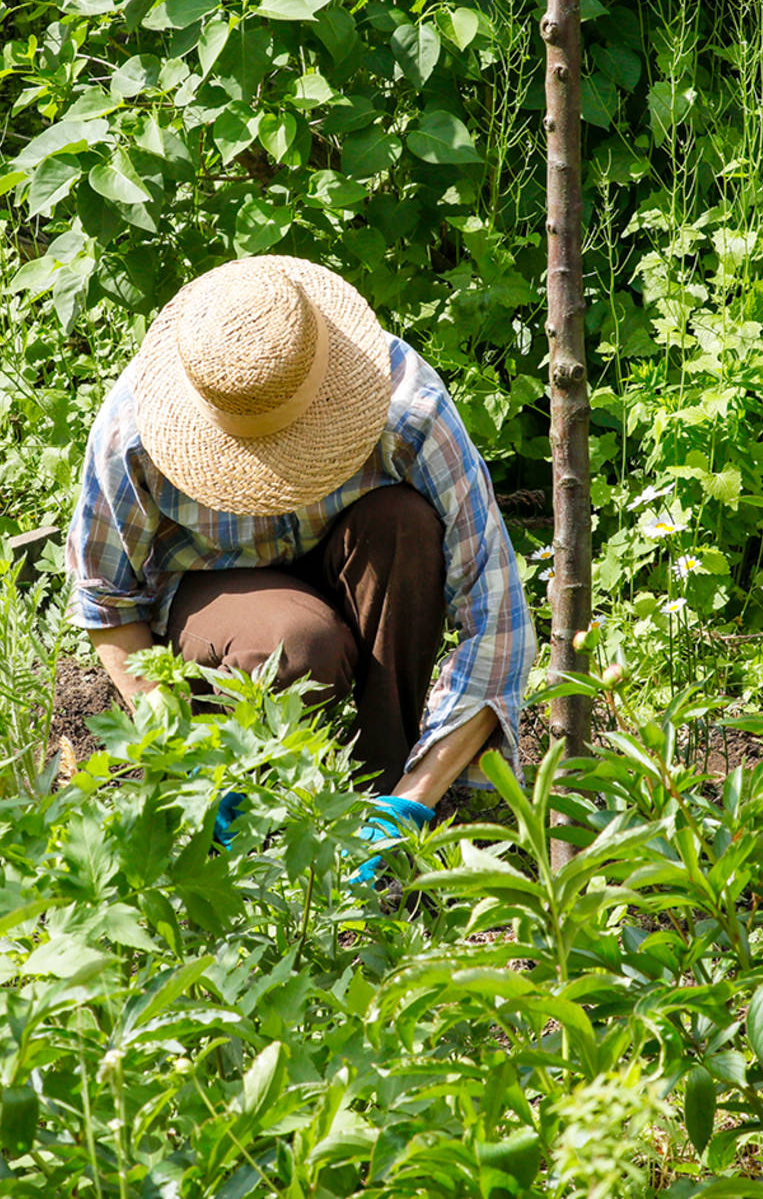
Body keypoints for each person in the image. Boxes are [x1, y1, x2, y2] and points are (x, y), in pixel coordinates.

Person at [66, 254, 536, 856]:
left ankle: (378, 786)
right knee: (295, 645)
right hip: (220, 594)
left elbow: (497, 620)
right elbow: (107, 602)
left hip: (352, 560)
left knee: (405, 526)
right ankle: (257, 796)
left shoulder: (405, 404)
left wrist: (414, 798)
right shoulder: (136, 428)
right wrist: (189, 760)